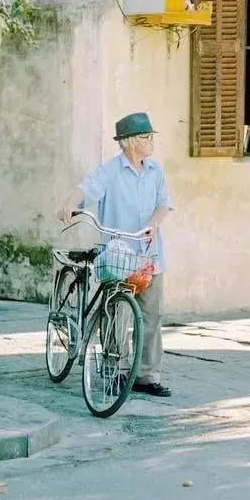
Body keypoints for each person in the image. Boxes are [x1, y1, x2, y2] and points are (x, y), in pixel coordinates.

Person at [58, 112, 174, 398]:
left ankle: (147, 376)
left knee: (152, 316)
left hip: (149, 255)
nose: (152, 142)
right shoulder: (110, 171)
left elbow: (164, 205)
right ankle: (115, 369)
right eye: (147, 137)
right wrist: (68, 205)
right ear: (131, 142)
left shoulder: (156, 171)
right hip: (119, 256)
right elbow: (84, 190)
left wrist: (153, 224)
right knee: (116, 316)